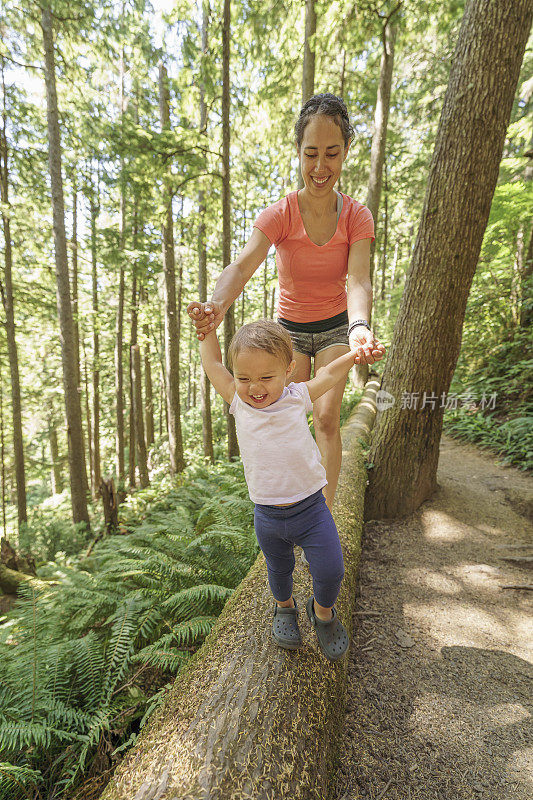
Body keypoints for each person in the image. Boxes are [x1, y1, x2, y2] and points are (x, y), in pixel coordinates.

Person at [188, 93, 386, 511]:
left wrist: (360, 326)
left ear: (346, 152)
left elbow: (358, 279)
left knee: (328, 417)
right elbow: (241, 267)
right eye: (311, 153)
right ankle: (287, 506)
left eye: (331, 153)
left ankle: (325, 516)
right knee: (288, 417)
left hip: (337, 324)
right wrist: (216, 305)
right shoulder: (279, 213)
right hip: (289, 332)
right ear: (298, 152)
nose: (320, 166)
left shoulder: (357, 216)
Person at [199, 318, 359, 662]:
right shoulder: (238, 402)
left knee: (331, 570)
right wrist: (206, 330)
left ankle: (322, 612)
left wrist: (354, 355)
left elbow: (328, 375)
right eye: (244, 378)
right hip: (268, 516)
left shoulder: (296, 396)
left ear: (288, 371)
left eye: (266, 377)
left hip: (312, 510)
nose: (255, 388)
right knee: (279, 571)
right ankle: (284, 608)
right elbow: (212, 363)